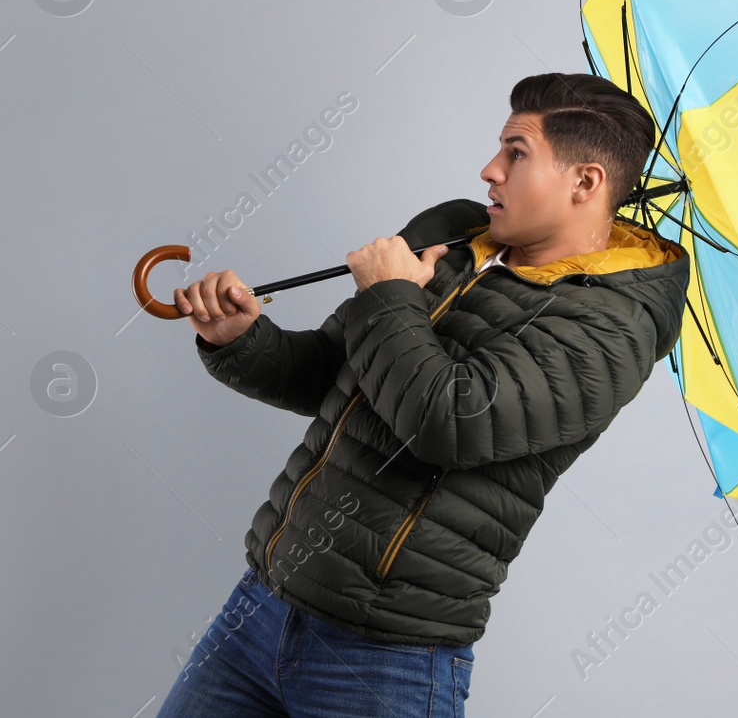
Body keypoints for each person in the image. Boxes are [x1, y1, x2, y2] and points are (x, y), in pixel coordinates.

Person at [155, 73, 691, 717]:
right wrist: (240, 338)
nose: (489, 169)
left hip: (385, 661)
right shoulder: (455, 235)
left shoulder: (612, 327)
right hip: (260, 608)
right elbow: (335, 374)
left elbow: (446, 421)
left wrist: (389, 295)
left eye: (517, 153)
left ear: (585, 183)